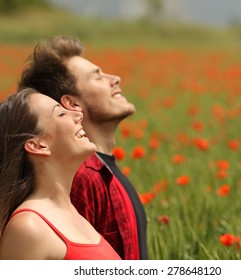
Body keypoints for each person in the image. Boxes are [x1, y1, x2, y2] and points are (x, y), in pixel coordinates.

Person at [17, 35, 147, 260]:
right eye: (98, 77)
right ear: (72, 104)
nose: (115, 78)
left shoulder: (102, 170)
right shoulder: (82, 178)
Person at [0, 88, 121, 260]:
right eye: (61, 114)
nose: (78, 114)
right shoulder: (28, 228)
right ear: (38, 145)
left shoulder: (76, 216)